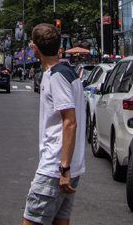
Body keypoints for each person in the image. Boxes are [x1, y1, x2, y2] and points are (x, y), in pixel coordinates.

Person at [22, 23, 86, 225]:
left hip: (55, 168)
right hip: (69, 168)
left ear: (34, 48)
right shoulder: (69, 72)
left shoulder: (57, 77)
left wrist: (63, 168)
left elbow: (70, 122)